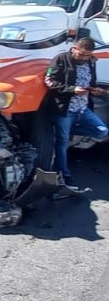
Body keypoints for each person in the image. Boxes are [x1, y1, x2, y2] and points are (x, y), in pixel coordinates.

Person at [44, 36, 108, 189]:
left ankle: (63, 130)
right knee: (62, 143)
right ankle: (64, 175)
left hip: (83, 108)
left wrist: (95, 90)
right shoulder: (61, 59)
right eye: (81, 55)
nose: (84, 58)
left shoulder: (91, 61)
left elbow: (89, 82)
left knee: (101, 131)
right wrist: (72, 90)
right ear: (74, 49)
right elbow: (49, 81)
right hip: (65, 109)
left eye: (87, 55)